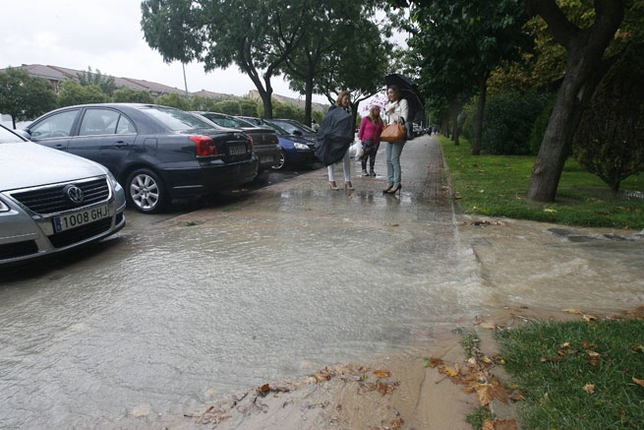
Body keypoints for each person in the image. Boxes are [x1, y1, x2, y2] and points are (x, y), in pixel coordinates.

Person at [314, 90, 355, 190]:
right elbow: (328, 123)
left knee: (346, 159)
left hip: (343, 139)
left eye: (348, 99)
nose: (347, 101)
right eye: (346, 99)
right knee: (330, 158)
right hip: (332, 138)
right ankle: (331, 180)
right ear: (340, 99)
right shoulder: (333, 109)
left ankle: (347, 180)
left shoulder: (347, 112)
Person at [383, 85, 408, 195]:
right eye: (388, 93)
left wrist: (393, 113)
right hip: (389, 133)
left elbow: (403, 119)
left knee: (394, 158)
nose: (390, 95)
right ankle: (390, 182)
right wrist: (386, 118)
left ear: (396, 93)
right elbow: (387, 120)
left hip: (398, 133)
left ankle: (397, 183)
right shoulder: (388, 104)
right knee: (388, 159)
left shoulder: (403, 102)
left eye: (391, 92)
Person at [357, 104, 384, 177]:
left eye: (378, 110)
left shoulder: (379, 121)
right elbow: (361, 130)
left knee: (373, 157)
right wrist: (359, 139)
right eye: (376, 110)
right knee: (364, 156)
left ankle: (371, 170)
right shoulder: (365, 119)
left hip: (376, 142)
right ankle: (363, 170)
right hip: (366, 141)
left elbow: (383, 130)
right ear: (372, 110)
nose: (377, 111)